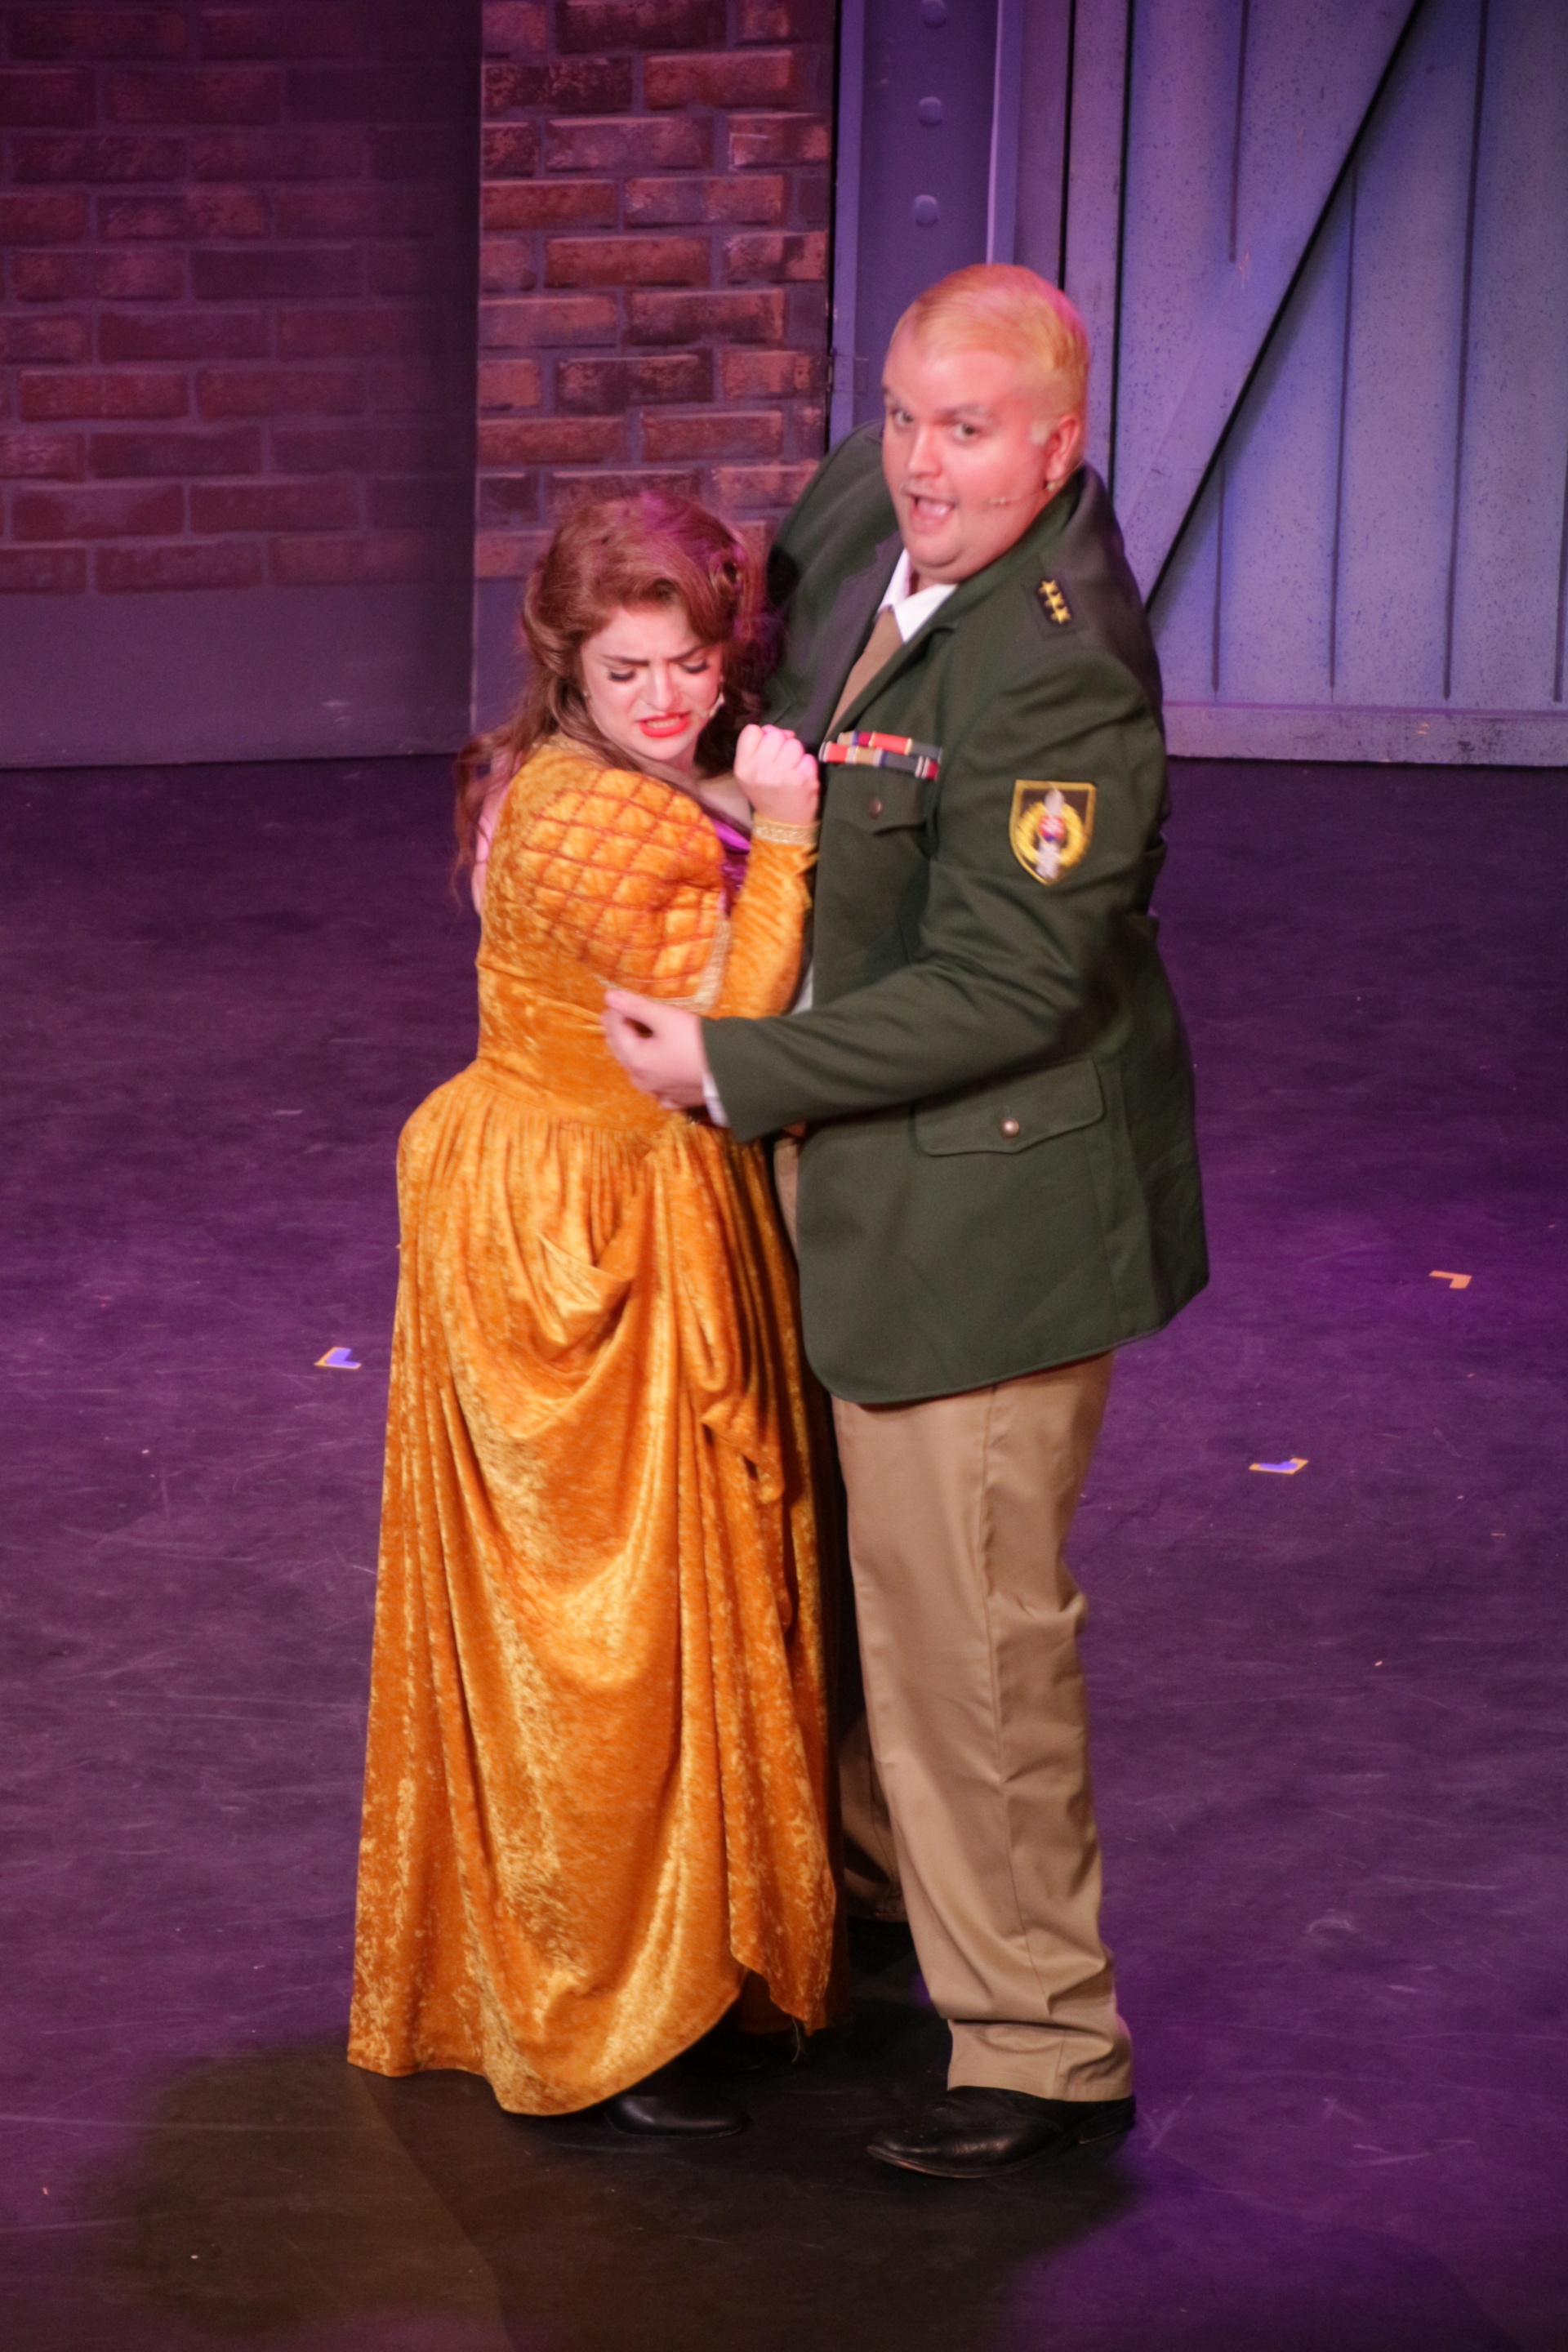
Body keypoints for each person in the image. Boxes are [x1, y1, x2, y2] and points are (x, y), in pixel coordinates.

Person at [604, 265, 1208, 2178]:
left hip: (986, 1213)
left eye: (968, 430)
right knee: (858, 1596)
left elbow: (1015, 985)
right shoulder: (878, 509)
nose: (920, 462)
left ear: (1059, 444)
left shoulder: (1058, 668)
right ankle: (876, 1908)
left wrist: (736, 1062)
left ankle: (1041, 2046)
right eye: (902, 413)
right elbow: (740, 680)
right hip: (861, 1173)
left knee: (970, 1642)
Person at [348, 493, 838, 2141]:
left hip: (566, 1186)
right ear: (568, 665)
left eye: (690, 663)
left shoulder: (583, 773)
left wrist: (734, 791)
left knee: (624, 1606)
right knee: (606, 1625)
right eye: (628, 671)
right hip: (581, 1226)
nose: (667, 699)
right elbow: (728, 1027)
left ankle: (649, 1956)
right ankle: (621, 1996)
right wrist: (788, 835)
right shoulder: (590, 824)